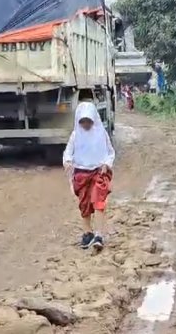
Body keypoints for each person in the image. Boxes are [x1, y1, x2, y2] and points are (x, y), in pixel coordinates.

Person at [63, 102, 116, 250]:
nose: (86, 124)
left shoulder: (101, 134)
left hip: (99, 172)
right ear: (78, 121)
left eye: (89, 121)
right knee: (84, 204)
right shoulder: (75, 135)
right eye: (83, 121)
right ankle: (87, 233)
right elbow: (67, 153)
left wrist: (106, 164)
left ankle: (99, 235)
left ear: (94, 119)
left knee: (99, 200)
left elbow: (110, 152)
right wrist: (67, 162)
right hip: (81, 174)